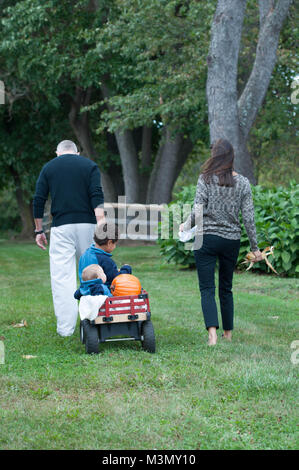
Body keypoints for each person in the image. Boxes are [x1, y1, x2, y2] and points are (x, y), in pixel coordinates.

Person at [180, 139, 263, 346]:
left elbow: (198, 210)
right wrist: (255, 248)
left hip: (206, 239)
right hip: (231, 241)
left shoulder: (206, 179)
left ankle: (212, 335)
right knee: (226, 287)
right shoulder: (243, 183)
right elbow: (249, 218)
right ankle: (228, 334)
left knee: (207, 288)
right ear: (232, 156)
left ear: (215, 156)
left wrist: (184, 225)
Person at [33, 140, 105, 337]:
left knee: (62, 278)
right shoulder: (89, 166)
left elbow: (39, 199)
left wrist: (39, 231)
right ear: (77, 153)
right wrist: (101, 225)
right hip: (88, 225)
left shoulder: (49, 168)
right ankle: (96, 321)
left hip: (61, 227)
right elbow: (96, 194)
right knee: (93, 273)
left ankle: (65, 329)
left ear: (57, 152)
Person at [78, 223, 132, 287]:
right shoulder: (105, 260)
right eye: (115, 244)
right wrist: (126, 269)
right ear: (109, 242)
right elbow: (117, 279)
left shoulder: (84, 255)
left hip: (85, 292)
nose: (115, 246)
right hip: (101, 293)